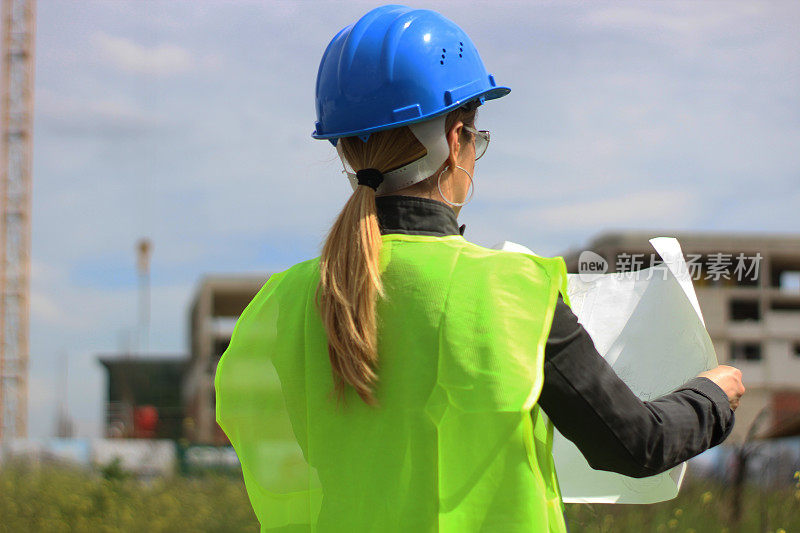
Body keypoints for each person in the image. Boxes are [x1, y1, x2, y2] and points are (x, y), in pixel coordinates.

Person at [214, 5, 746, 532]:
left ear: (345, 149)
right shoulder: (509, 291)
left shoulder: (283, 301)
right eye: (477, 138)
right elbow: (636, 444)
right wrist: (712, 394)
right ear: (455, 140)